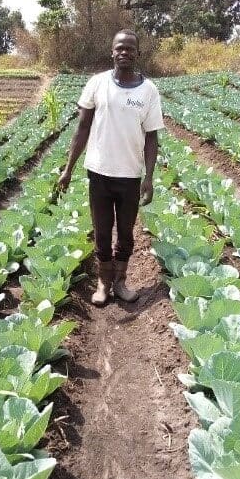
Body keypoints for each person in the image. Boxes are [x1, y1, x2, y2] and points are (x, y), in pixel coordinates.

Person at [58, 29, 164, 306]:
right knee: (102, 231)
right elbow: (82, 127)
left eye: (130, 48)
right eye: (120, 48)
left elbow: (152, 136)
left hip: (130, 175)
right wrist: (68, 168)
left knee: (126, 233)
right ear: (112, 52)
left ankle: (120, 281)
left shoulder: (149, 90)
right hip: (99, 173)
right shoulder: (97, 83)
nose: (124, 52)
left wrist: (149, 177)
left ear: (137, 53)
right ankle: (103, 282)